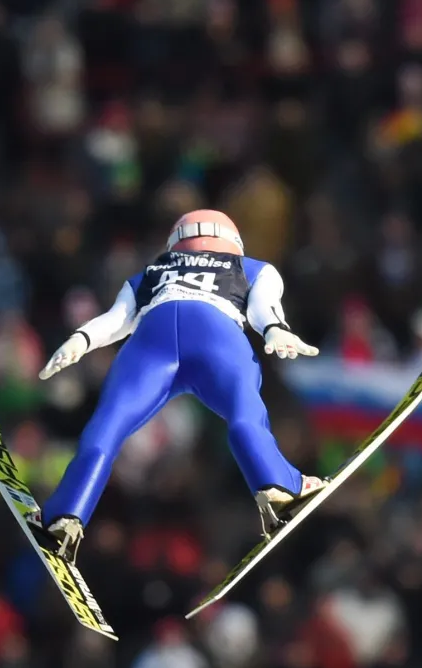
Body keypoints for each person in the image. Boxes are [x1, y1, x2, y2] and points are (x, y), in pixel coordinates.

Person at [37, 209, 322, 560]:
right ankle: (278, 484)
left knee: (108, 426)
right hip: (214, 333)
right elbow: (264, 310)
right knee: (244, 413)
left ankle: (65, 513)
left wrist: (80, 339)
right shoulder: (251, 267)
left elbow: (115, 322)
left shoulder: (149, 272)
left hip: (151, 340)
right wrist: (276, 330)